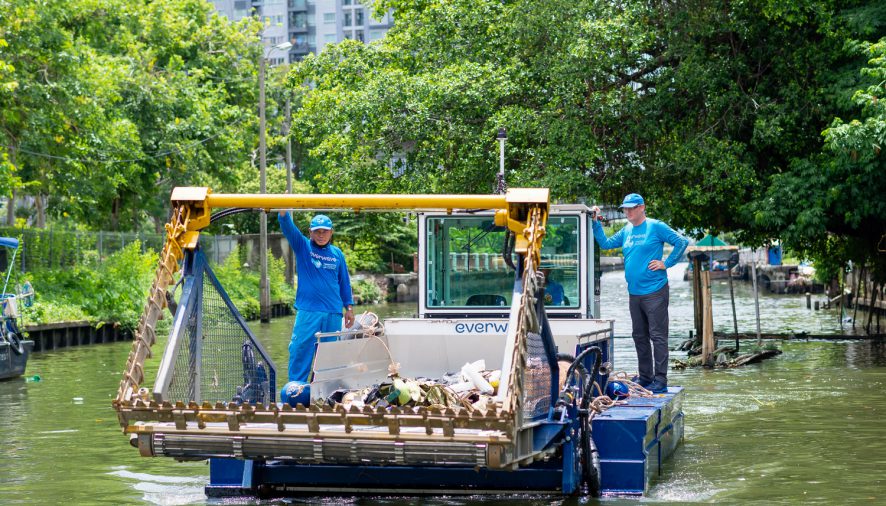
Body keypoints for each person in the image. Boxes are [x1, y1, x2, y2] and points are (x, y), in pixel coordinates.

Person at [591, 193, 688, 394]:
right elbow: (606, 244)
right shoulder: (626, 230)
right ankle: (645, 377)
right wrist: (595, 223)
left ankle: (660, 380)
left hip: (655, 291)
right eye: (625, 208)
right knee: (639, 336)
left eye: (631, 207)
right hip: (634, 293)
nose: (627, 211)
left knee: (658, 336)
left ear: (642, 207)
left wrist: (666, 263)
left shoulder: (655, 226)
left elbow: (681, 242)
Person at [278, 212, 355, 382]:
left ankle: (325, 392)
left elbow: (344, 282)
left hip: (333, 313)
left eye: (325, 231)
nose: (321, 235)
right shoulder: (303, 247)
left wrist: (349, 308)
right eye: (317, 231)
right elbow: (289, 229)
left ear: (331, 232)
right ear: (310, 232)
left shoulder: (337, 254)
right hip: (308, 312)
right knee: (300, 350)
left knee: (330, 357)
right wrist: (283, 213)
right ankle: (295, 390)